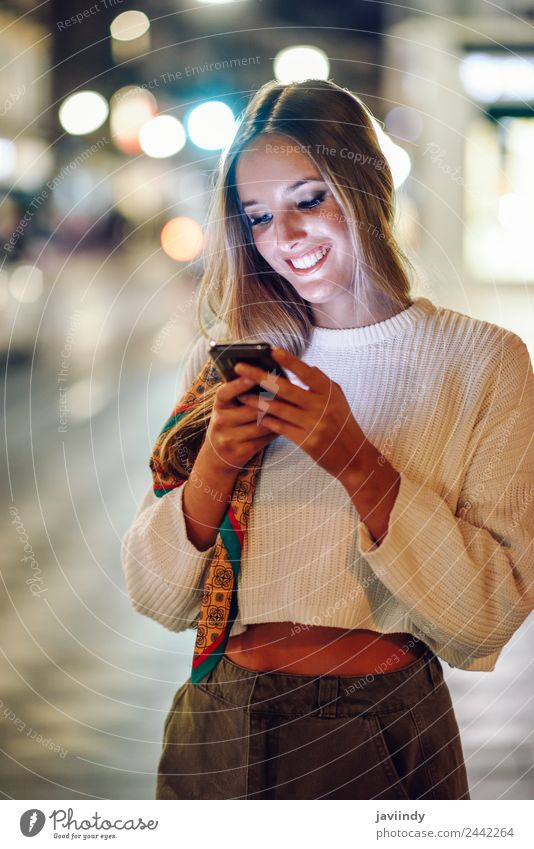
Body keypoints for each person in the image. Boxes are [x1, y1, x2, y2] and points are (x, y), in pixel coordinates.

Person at [121, 79, 534, 800]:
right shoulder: (233, 359)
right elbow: (156, 594)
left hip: (377, 727)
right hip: (217, 722)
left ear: (367, 186)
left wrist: (357, 461)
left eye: (309, 199)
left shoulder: (484, 361)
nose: (283, 238)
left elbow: (487, 615)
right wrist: (216, 463)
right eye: (257, 216)